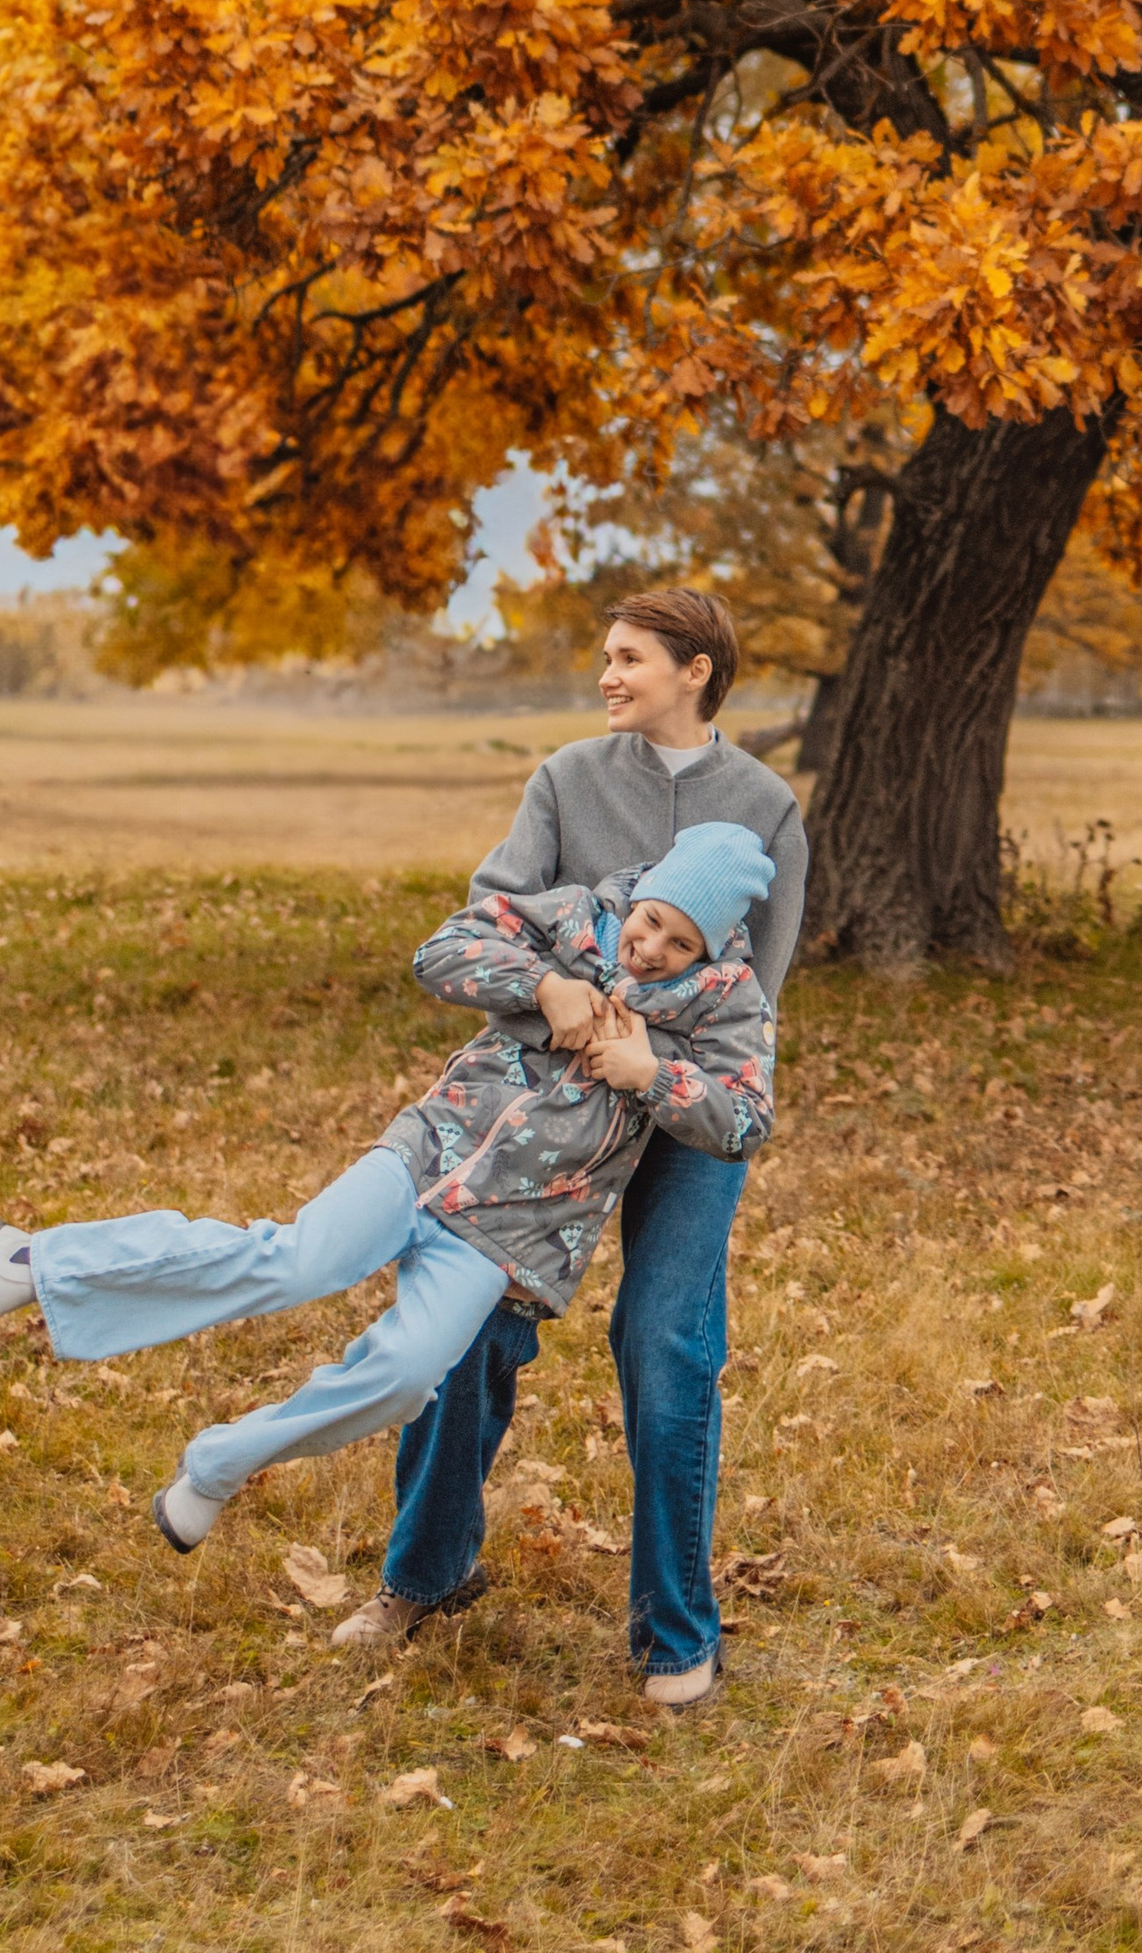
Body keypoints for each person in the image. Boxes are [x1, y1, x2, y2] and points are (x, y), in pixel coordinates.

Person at [0, 823, 777, 1589]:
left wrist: (653, 1076)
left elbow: (745, 1122)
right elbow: (441, 951)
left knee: (406, 1377)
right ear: (642, 894)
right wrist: (543, 984)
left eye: (681, 942)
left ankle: (218, 1467)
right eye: (652, 921)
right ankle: (32, 1263)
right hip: (430, 1152)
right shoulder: (576, 917)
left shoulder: (725, 1005)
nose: (652, 948)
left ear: (710, 948)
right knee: (296, 1260)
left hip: (514, 1233)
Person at [335, 586, 806, 1707]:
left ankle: (675, 1632)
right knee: (466, 1324)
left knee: (668, 1340)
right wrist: (550, 993)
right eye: (606, 656)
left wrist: (657, 1071)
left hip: (678, 1109)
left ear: (695, 669)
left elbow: (761, 990)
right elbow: (483, 926)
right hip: (549, 1107)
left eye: (628, 657)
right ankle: (425, 1575)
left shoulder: (767, 806)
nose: (606, 675)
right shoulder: (566, 777)